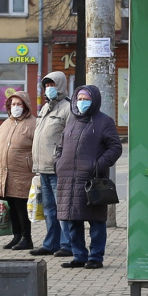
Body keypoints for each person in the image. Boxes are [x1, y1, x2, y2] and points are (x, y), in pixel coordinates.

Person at [55, 85, 122, 269]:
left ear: (94, 100)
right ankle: (79, 256)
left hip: (92, 181)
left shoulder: (103, 121)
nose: (81, 102)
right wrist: (58, 163)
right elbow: (60, 146)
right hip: (68, 179)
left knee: (96, 221)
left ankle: (95, 257)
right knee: (72, 219)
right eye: (79, 98)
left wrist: (97, 165)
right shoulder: (72, 121)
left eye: (86, 98)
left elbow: (115, 147)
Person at [29, 71, 73, 257]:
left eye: (52, 85)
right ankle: (50, 243)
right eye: (46, 86)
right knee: (49, 208)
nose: (49, 89)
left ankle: (67, 244)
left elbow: (70, 139)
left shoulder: (68, 108)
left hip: (58, 168)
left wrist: (62, 161)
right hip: (43, 167)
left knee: (63, 208)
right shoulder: (45, 108)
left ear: (60, 86)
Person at [0, 90, 37, 250]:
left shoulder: (33, 123)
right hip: (4, 174)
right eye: (13, 104)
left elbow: (37, 149)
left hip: (23, 174)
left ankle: (26, 238)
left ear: (26, 105)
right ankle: (16, 236)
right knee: (11, 207)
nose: (15, 107)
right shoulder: (6, 123)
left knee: (22, 207)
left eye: (19, 104)